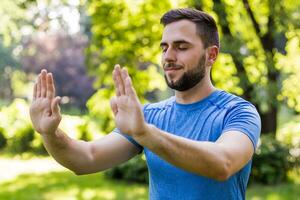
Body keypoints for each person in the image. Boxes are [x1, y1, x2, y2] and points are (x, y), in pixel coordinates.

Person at [30, 8, 261, 200]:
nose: (168, 56)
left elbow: (223, 164)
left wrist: (144, 133)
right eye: (164, 47)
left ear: (211, 55)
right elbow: (85, 159)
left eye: (181, 47)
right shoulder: (149, 116)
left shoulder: (238, 112)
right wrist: (50, 133)